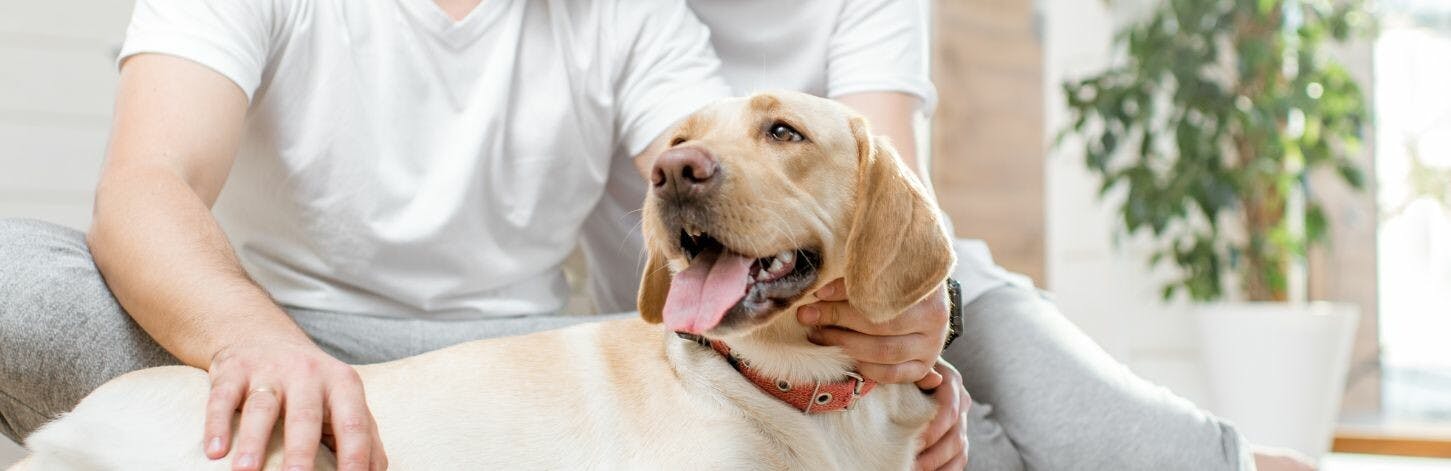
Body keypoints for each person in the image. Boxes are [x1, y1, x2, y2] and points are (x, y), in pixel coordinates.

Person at [0, 1, 1304, 470]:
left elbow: (734, 167)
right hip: (296, 339)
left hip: (534, 359)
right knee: (20, 272)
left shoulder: (625, 13)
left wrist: (898, 322)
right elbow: (146, 185)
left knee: (940, 359)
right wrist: (256, 350)